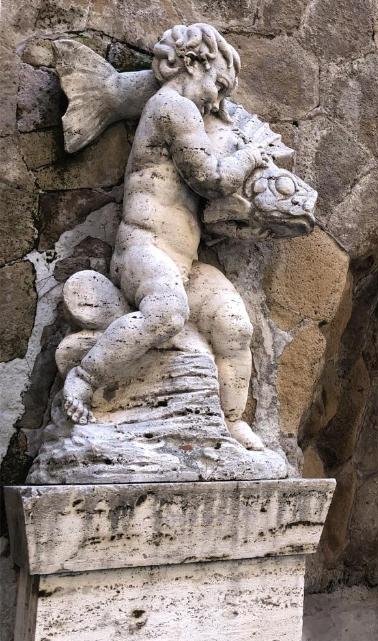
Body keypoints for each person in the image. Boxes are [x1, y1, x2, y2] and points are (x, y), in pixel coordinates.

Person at [61, 23, 268, 449]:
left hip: (185, 263)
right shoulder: (173, 107)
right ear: (192, 63)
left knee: (235, 327)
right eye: (219, 86)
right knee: (169, 312)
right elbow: (212, 178)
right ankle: (84, 379)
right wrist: (252, 155)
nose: (218, 101)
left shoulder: (192, 114)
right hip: (143, 251)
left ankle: (231, 421)